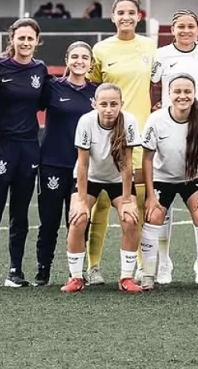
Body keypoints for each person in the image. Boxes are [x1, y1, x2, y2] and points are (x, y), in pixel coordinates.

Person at [85, 0, 157, 286]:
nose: (126, 17)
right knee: (101, 202)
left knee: (135, 202)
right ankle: (93, 266)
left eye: (131, 12)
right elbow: (92, 90)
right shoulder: (101, 50)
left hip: (138, 135)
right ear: (113, 17)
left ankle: (138, 265)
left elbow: (157, 84)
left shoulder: (150, 47)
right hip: (105, 136)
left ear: (138, 17)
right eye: (121, 12)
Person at [0, 18, 50, 288]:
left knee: (20, 214)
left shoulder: (40, 70)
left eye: (31, 38)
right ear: (12, 39)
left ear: (37, 41)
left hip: (29, 147)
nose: (26, 42)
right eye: (21, 38)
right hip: (0, 145)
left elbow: (48, 101)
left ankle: (15, 270)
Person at [150, 9, 198, 284]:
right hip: (169, 128)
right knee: (161, 207)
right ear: (173, 29)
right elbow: (154, 84)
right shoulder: (162, 55)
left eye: (191, 26)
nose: (186, 30)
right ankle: (163, 262)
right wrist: (156, 105)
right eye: (181, 26)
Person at [61, 83, 143, 293]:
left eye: (114, 104)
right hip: (89, 178)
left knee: (130, 219)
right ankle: (76, 277)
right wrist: (80, 200)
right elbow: (83, 164)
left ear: (121, 104)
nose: (109, 109)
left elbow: (126, 164)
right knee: (78, 219)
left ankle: (126, 277)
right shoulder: (86, 122)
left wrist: (126, 200)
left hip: (117, 179)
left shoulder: (129, 122)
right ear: (94, 104)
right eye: (104, 104)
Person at [139, 74, 198, 291]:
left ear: (194, 94)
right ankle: (148, 274)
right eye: (177, 91)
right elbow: (147, 158)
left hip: (192, 179)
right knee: (153, 216)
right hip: (162, 178)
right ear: (169, 94)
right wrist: (151, 196)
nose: (182, 96)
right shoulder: (156, 120)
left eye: (187, 92)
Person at [33, 41, 97, 287]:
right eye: (75, 57)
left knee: (80, 221)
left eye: (85, 57)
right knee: (49, 222)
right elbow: (28, 106)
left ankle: (78, 273)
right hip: (52, 163)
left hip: (84, 167)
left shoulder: (96, 92)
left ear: (91, 63)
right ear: (67, 59)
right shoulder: (51, 88)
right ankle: (43, 270)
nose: (80, 61)